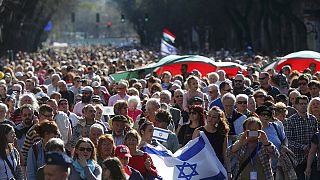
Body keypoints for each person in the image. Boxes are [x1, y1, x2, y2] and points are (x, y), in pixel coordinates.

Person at [285, 95, 318, 180]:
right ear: (295, 106)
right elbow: (288, 140)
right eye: (301, 104)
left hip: (312, 158)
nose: (303, 105)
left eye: (305, 103)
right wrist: (302, 147)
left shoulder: (312, 119)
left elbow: (316, 137)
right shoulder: (290, 121)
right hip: (297, 159)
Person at [192, 106, 230, 171]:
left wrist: (229, 171)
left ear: (218, 119)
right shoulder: (198, 132)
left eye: (214, 117)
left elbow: (225, 153)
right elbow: (193, 151)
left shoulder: (222, 133)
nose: (210, 119)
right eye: (209, 116)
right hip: (202, 166)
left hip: (217, 167)